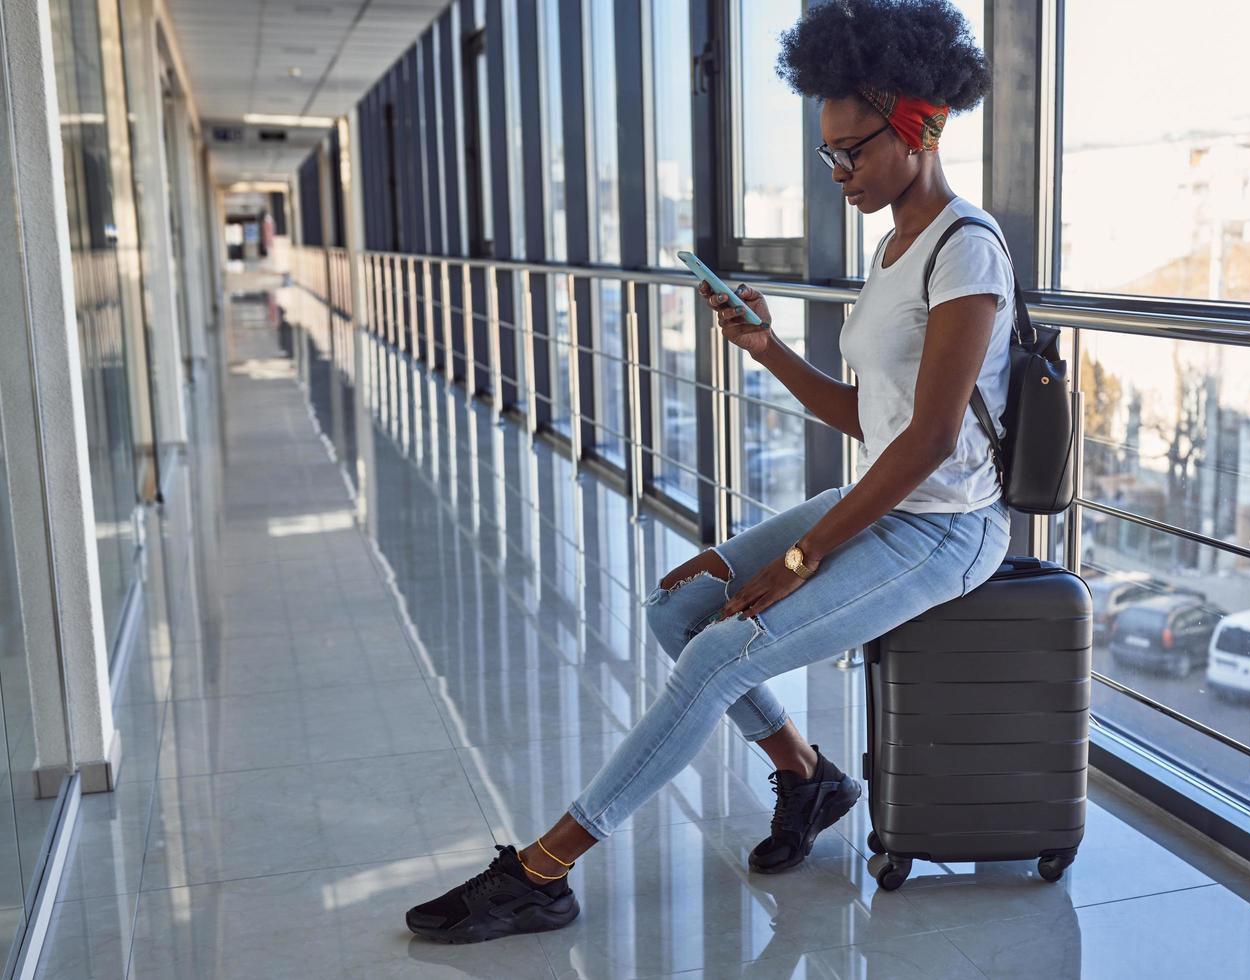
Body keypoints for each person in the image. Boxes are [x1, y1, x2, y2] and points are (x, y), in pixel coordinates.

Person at [405, 0, 1014, 944]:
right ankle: (811, 782)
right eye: (829, 156)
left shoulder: (966, 248)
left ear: (919, 128)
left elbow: (932, 440)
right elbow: (868, 417)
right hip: (888, 498)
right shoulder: (893, 248)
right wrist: (766, 347)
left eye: (852, 151)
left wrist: (802, 560)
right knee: (677, 610)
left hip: (946, 525)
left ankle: (543, 868)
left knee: (718, 655)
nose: (839, 173)